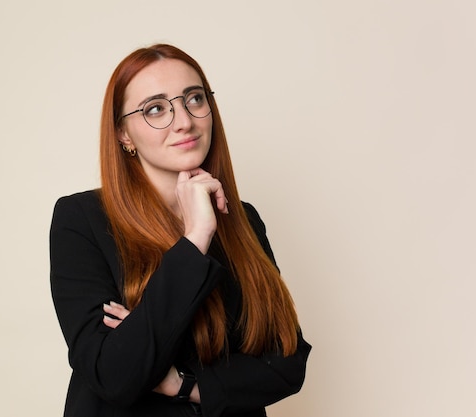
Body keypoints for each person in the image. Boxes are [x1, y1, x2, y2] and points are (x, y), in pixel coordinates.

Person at [49, 43, 311, 417]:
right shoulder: (82, 219)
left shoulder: (244, 220)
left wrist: (181, 382)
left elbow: (288, 364)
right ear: (123, 134)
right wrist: (195, 239)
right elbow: (113, 375)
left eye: (194, 99)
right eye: (155, 108)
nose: (184, 121)